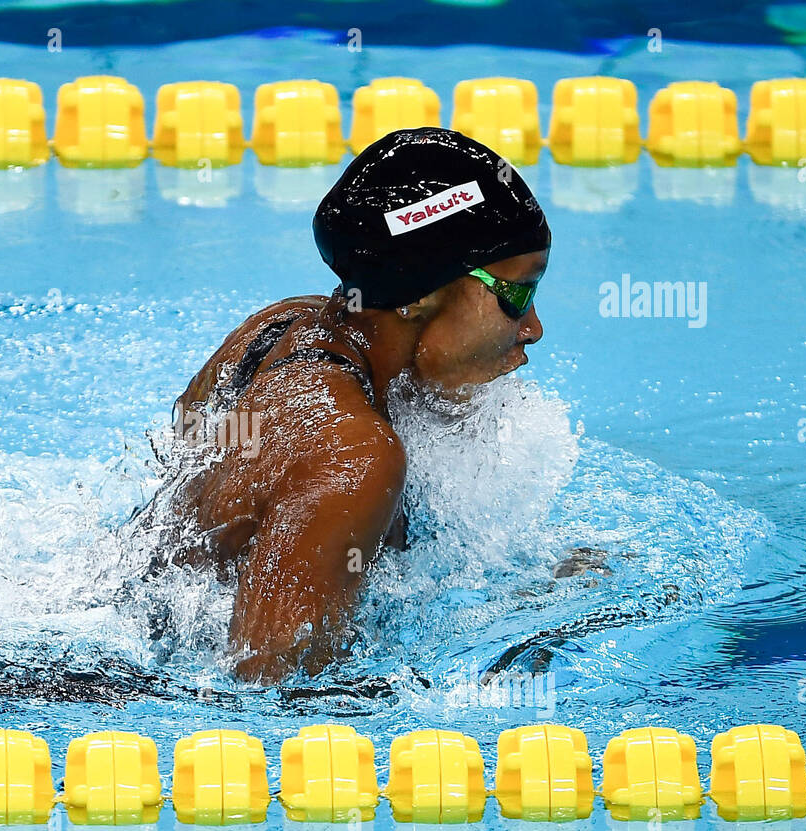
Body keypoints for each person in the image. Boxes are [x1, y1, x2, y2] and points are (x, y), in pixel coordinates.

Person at [156, 128, 551, 683]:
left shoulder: (277, 329)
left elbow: (178, 472)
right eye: (518, 294)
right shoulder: (356, 457)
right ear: (419, 293)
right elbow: (269, 694)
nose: (532, 328)